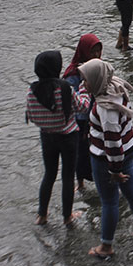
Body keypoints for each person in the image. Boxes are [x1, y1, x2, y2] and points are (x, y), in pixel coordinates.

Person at [80, 58, 133, 258]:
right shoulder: (114, 87)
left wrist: (115, 171)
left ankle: (106, 247)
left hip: (107, 160)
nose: (83, 84)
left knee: (109, 201)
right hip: (129, 152)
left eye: (86, 80)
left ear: (97, 80)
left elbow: (113, 143)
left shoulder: (106, 108)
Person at [26, 50, 90, 228]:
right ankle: (67, 217)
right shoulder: (65, 88)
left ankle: (42, 215)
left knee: (49, 175)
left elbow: (31, 115)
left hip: (46, 136)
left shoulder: (32, 90)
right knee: (68, 176)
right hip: (68, 138)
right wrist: (84, 89)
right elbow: (83, 108)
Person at [63, 33, 102, 191]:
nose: (97, 55)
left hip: (97, 114)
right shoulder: (73, 73)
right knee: (81, 152)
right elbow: (73, 100)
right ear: (85, 51)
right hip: (81, 119)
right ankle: (80, 183)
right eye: (93, 52)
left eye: (99, 51)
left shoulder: (98, 67)